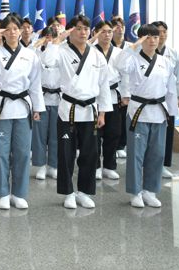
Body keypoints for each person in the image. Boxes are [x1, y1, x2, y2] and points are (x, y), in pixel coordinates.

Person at [0, 14, 45, 210]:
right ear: (2, 32)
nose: (12, 32)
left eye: (15, 28)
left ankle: (19, 193)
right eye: (8, 29)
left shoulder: (30, 55)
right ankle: (2, 192)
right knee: (0, 153)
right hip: (1, 106)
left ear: (20, 31)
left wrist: (38, 108)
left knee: (21, 153)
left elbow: (36, 84)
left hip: (22, 107)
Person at [41, 15, 111, 209]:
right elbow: (47, 61)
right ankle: (68, 192)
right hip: (68, 109)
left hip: (90, 110)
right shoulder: (61, 51)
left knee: (90, 153)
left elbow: (103, 84)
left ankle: (83, 192)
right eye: (78, 28)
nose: (83, 32)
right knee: (66, 153)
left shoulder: (96, 54)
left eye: (86, 28)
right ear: (70, 31)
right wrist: (57, 40)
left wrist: (103, 112)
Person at [114, 24, 178, 208]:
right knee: (136, 155)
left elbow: (170, 89)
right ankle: (135, 191)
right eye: (148, 37)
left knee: (157, 154)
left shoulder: (165, 62)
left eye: (155, 37)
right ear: (141, 39)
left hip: (159, 112)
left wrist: (171, 113)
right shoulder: (132, 59)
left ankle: (150, 190)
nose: (152, 41)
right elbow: (118, 65)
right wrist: (133, 46)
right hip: (138, 112)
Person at [92, 21, 128, 181]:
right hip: (95, 97)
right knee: (94, 135)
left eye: (109, 32)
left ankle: (109, 166)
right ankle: (95, 166)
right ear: (96, 33)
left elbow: (126, 75)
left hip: (114, 97)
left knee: (113, 133)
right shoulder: (90, 51)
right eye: (103, 32)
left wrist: (126, 95)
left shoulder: (120, 52)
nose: (107, 35)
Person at [152, 21, 179, 178]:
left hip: (168, 97)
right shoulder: (144, 51)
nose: (162, 35)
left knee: (167, 131)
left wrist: (178, 97)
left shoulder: (173, 53)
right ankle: (149, 163)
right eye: (158, 32)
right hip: (150, 97)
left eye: (164, 32)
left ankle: (164, 164)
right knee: (152, 132)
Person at [32, 26, 60, 181]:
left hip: (58, 98)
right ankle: (41, 165)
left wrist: (54, 45)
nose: (49, 39)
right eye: (47, 36)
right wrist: (37, 43)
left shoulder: (61, 51)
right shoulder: (35, 51)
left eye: (52, 36)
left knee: (55, 135)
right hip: (41, 97)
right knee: (39, 135)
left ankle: (53, 165)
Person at [111, 15, 131, 159]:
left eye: (122, 26)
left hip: (126, 88)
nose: (120, 29)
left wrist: (127, 93)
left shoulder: (131, 47)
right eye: (116, 26)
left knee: (122, 119)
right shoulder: (106, 45)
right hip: (110, 89)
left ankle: (121, 145)